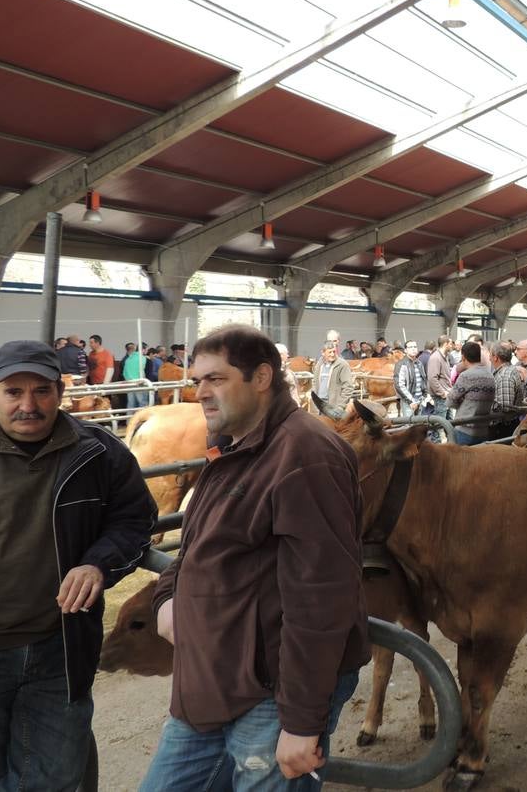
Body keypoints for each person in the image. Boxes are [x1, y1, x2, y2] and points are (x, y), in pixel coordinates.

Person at [0, 340, 155, 791]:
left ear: (60, 392)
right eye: (14, 392)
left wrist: (98, 565)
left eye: (42, 391)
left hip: (56, 653)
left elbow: (133, 519)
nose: (29, 405)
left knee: (57, 780)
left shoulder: (98, 454)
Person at [141, 326, 369, 791]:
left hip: (271, 691)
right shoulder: (233, 448)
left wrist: (302, 722)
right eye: (197, 379)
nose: (200, 392)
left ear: (262, 377)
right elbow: (196, 547)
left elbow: (322, 597)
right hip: (211, 683)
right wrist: (167, 599)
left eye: (216, 379)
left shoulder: (304, 455)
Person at [447, 341, 495, 446]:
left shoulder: (466, 376)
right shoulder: (490, 376)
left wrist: (463, 401)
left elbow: (450, 402)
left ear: (463, 357)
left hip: (464, 431)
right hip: (483, 431)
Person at [312, 341, 354, 420]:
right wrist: (314, 396)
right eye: (330, 352)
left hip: (332, 408)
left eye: (334, 351)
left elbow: (348, 387)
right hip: (319, 404)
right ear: (323, 353)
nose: (332, 354)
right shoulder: (319, 364)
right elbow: (315, 382)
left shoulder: (342, 365)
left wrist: (340, 406)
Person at [394, 340, 430, 418]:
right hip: (409, 402)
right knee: (409, 426)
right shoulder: (401, 364)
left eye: (415, 347)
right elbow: (399, 385)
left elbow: (424, 380)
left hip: (420, 400)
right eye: (410, 347)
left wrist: (426, 395)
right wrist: (410, 401)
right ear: (406, 350)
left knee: (420, 426)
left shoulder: (419, 363)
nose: (413, 349)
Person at [427, 336, 453, 436]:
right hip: (441, 397)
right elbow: (432, 378)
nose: (452, 346)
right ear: (446, 344)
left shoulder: (444, 356)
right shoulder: (436, 358)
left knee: (449, 422)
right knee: (438, 424)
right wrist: (442, 393)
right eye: (450, 344)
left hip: (446, 395)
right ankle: (435, 445)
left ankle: (450, 444)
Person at [123, 340, 148, 409]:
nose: (147, 352)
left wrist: (128, 380)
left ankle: (129, 419)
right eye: (146, 350)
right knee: (142, 403)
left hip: (130, 383)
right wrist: (143, 381)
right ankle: (142, 419)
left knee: (131, 404)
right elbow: (141, 370)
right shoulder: (142, 358)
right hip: (139, 383)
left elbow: (124, 373)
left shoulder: (128, 359)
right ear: (143, 349)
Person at [275, 343, 301, 407]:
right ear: (281, 355)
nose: (288, 356)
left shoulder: (270, 371)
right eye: (286, 353)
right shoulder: (284, 373)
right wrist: (297, 405)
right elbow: (293, 392)